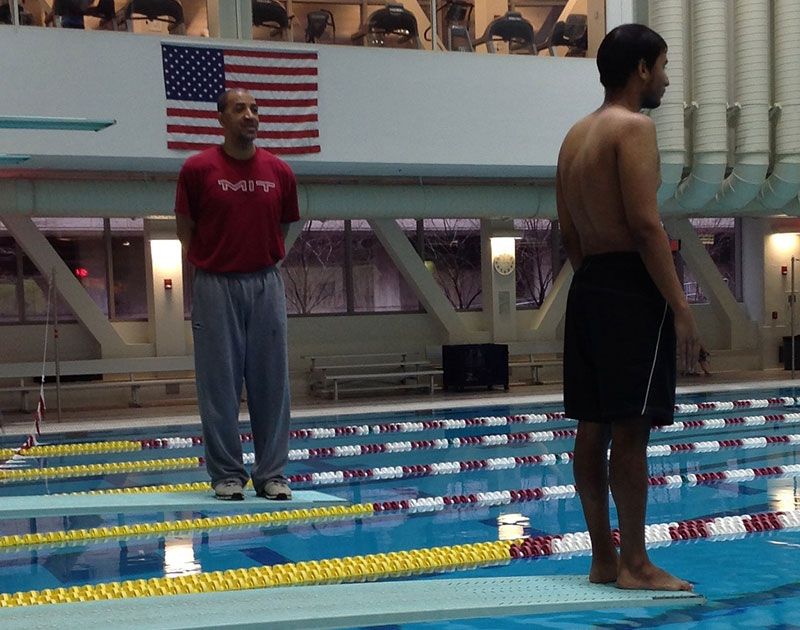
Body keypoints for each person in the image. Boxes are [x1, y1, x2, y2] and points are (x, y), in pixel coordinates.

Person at [556, 24, 700, 591]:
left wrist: (595, 277)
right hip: (629, 290)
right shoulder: (634, 127)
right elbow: (645, 225)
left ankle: (601, 558)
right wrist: (680, 308)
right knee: (631, 429)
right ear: (641, 69)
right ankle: (636, 564)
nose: (664, 78)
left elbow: (568, 231)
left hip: (588, 284)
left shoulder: (574, 136)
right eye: (662, 66)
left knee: (591, 428)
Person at [175, 88, 299, 501]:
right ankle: (228, 473)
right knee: (218, 385)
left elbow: (283, 228)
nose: (250, 115)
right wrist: (209, 264)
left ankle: (272, 474)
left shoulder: (279, 171)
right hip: (214, 284)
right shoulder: (197, 169)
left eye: (255, 108)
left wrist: (259, 261)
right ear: (221, 119)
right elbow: (185, 227)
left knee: (272, 384)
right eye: (240, 108)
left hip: (265, 282)